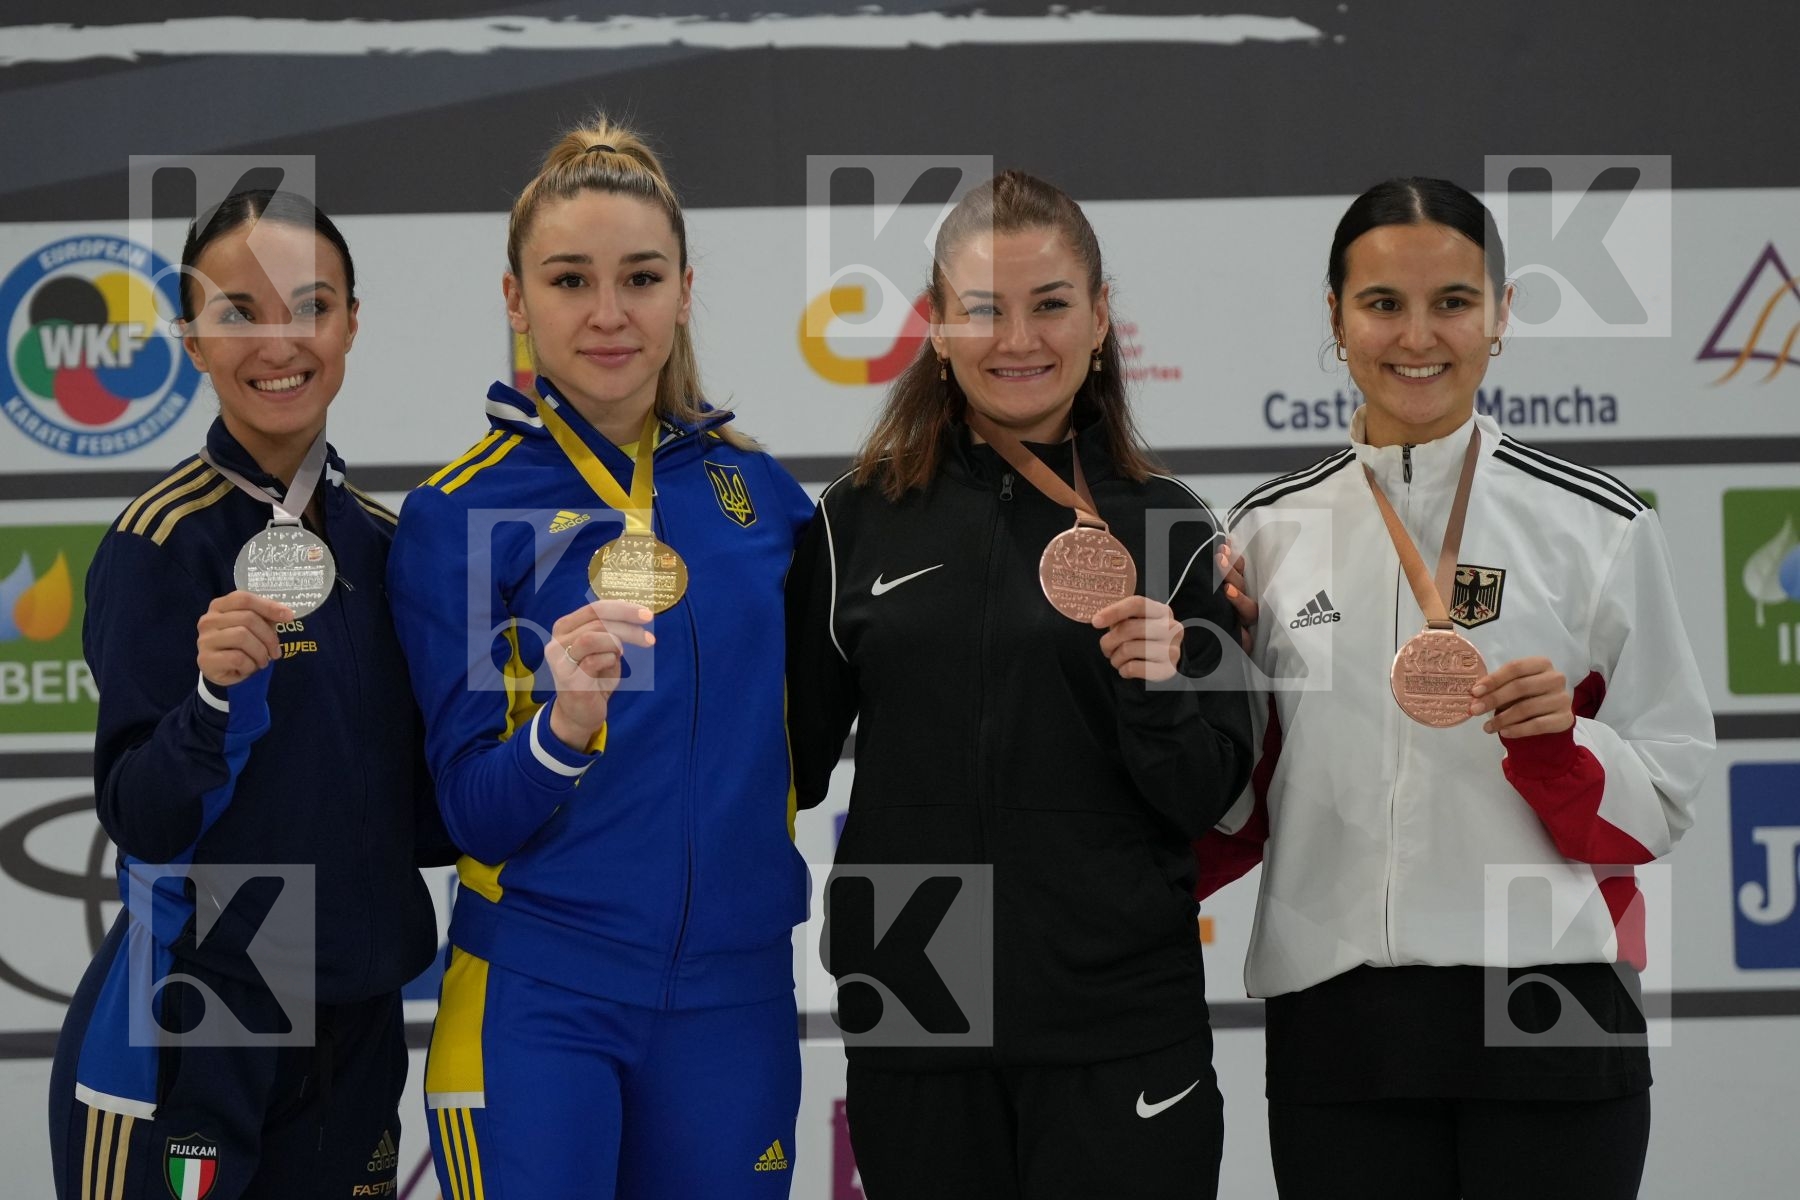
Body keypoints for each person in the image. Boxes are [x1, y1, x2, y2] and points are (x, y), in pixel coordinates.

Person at [1203, 177, 1714, 1199]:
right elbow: (1231, 801)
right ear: (1336, 317)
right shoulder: (1261, 535)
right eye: (1383, 303)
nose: (1417, 336)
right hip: (1338, 1024)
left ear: (1503, 313)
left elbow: (1663, 794)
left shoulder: (1597, 527)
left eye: (1454, 302)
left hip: (1552, 1009)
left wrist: (1562, 749)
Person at [785, 169, 1253, 1200]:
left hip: (1118, 1014)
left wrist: (1161, 688)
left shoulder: (1173, 526)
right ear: (939, 329)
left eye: (1050, 305)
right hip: (917, 996)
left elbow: (1214, 796)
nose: (1020, 340)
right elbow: (785, 766)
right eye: (984, 309)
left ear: (1098, 321)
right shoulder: (853, 523)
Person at [387, 117, 816, 1200]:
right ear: (515, 299)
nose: (609, 314)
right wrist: (561, 729)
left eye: (640, 277)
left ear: (683, 289)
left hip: (735, 1004)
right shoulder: (464, 512)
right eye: (570, 279)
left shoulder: (763, 500)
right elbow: (468, 813)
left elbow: (845, 713)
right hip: (539, 1003)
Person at [48, 189, 444, 1199]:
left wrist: (545, 723)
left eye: (310, 306)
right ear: (188, 336)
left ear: (351, 321)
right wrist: (213, 702)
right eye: (238, 311)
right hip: (202, 1014)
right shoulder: (161, 544)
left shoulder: (390, 547)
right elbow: (140, 811)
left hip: (358, 1013)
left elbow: (423, 823)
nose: (279, 342)